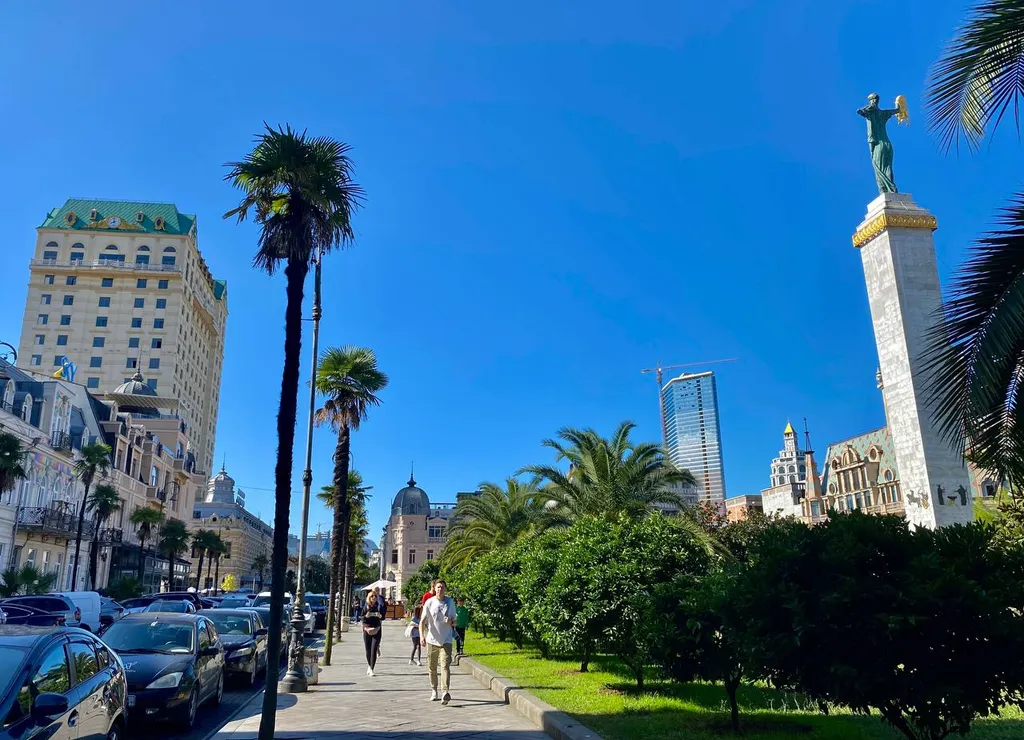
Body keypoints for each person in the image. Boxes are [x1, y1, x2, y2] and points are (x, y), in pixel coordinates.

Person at [421, 579, 456, 704]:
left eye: (442, 587)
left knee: (445, 666)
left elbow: (454, 621)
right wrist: (422, 636)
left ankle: (445, 692)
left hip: (446, 640)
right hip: (432, 640)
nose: (440, 589)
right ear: (434, 588)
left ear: (445, 589)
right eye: (438, 587)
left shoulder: (450, 602)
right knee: (432, 667)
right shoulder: (429, 602)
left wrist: (450, 622)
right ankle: (434, 689)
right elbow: (422, 622)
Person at [362, 593, 383, 677]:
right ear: (369, 598)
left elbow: (383, 616)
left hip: (377, 629)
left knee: (373, 649)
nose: (374, 597)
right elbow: (362, 618)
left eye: (375, 596)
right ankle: (369, 665)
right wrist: (366, 616)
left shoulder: (379, 606)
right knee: (368, 650)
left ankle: (371, 668)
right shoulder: (366, 606)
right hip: (367, 630)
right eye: (372, 596)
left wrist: (380, 615)